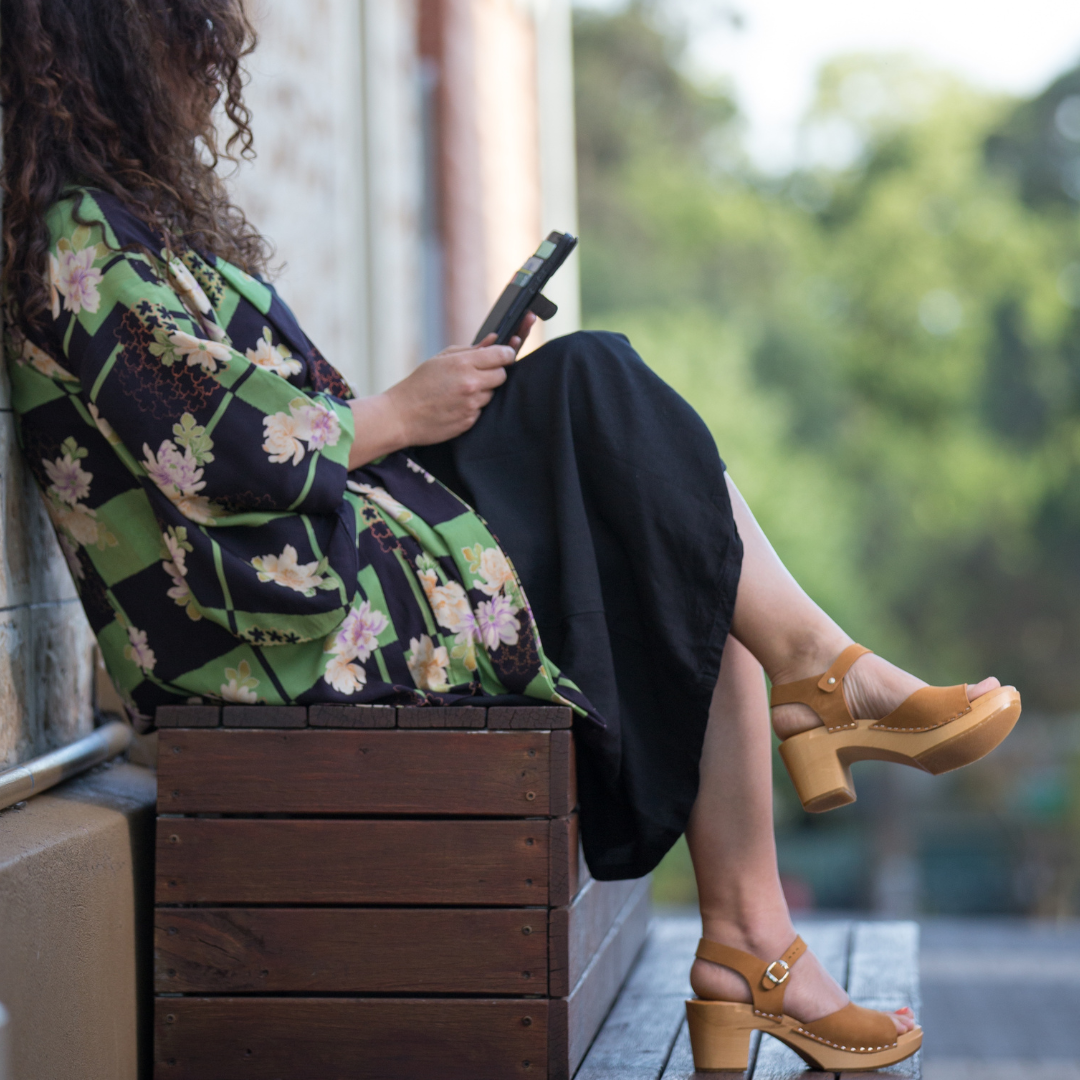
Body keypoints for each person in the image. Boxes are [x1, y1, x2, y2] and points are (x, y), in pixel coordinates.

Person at [1, 0, 1020, 1071]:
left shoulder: (124, 228)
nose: (207, 65)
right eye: (185, 37)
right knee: (627, 449)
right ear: (106, 55)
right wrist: (402, 412)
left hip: (321, 581)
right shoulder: (82, 241)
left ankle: (763, 902)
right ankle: (797, 777)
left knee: (631, 451)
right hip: (287, 628)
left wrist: (422, 411)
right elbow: (225, 449)